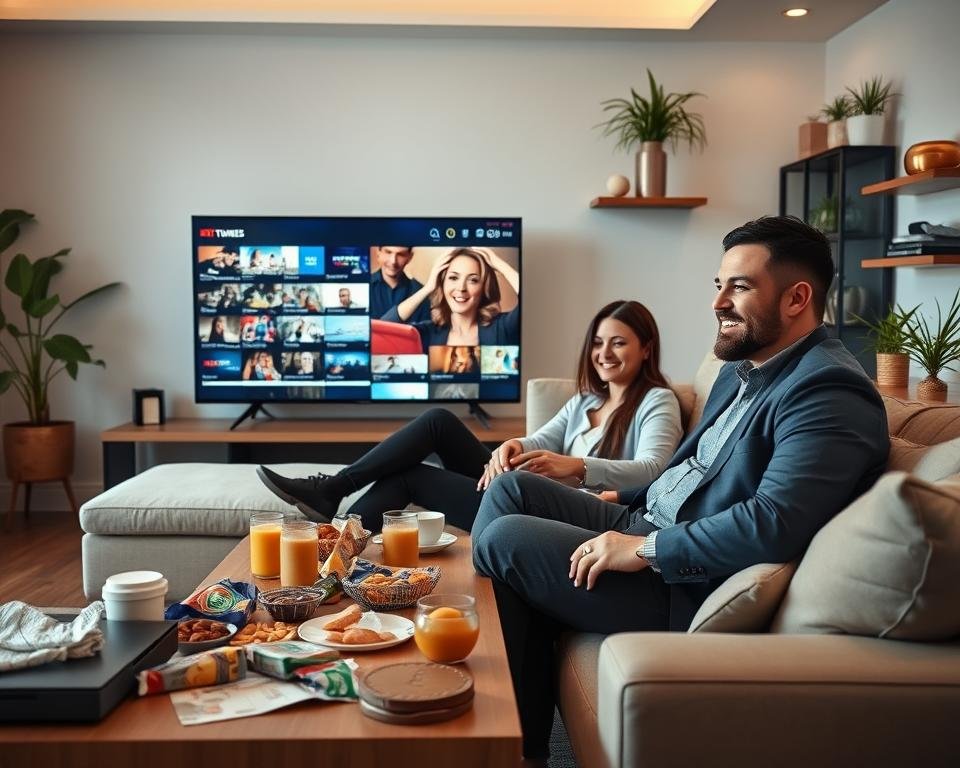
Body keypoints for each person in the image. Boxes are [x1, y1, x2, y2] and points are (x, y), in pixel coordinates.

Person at [469, 215, 890, 763]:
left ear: (797, 298)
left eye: (739, 286)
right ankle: (514, 718)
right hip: (646, 521)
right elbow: (693, 470)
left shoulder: (827, 390)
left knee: (506, 539)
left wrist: (644, 549)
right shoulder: (747, 369)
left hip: (678, 580)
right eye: (719, 285)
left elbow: (776, 521)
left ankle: (504, 737)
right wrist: (626, 504)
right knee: (512, 489)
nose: (718, 302)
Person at [256, 300, 683, 534]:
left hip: (552, 509)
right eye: (598, 343)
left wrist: (578, 466)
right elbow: (540, 441)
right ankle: (332, 495)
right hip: (525, 487)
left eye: (619, 344)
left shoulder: (657, 401)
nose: (604, 354)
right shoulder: (586, 401)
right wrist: (512, 447)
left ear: (646, 348)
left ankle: (333, 539)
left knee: (411, 477)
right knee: (439, 419)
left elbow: (656, 471)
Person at [381, 247, 519, 354]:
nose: (461, 288)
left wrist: (497, 263)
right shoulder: (427, 333)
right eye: (453, 278)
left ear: (484, 287)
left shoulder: (502, 328)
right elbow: (380, 331)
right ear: (442, 283)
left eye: (473, 280)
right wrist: (428, 288)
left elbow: (531, 298)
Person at [369, 245, 430, 323]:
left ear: (410, 257)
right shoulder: (362, 287)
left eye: (401, 255)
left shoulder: (420, 293)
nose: (393, 261)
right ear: (378, 253)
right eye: (388, 252)